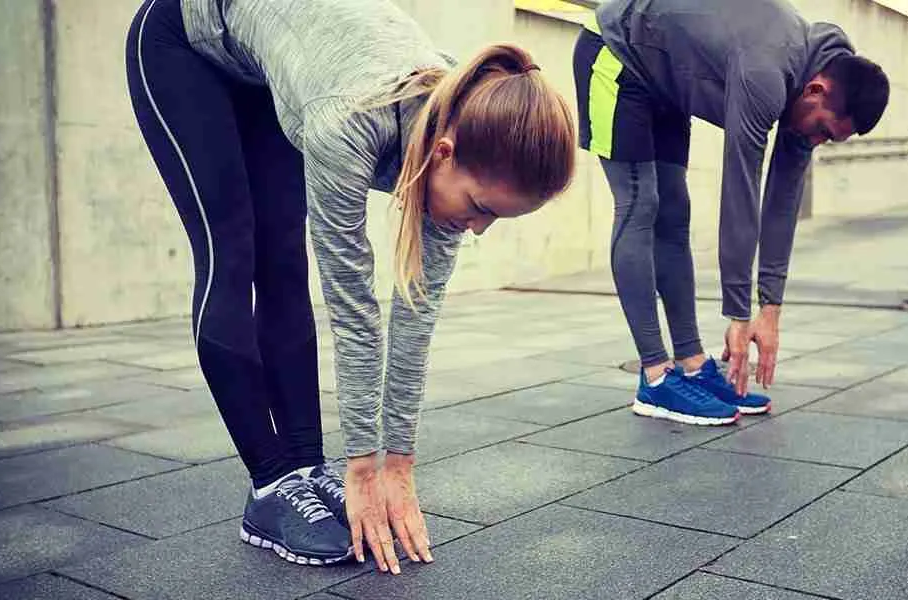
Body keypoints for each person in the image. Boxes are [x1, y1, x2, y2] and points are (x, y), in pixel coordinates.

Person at [125, 0, 575, 574]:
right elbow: (354, 308)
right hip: (181, 40)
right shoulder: (348, 120)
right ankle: (269, 485)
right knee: (232, 248)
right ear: (443, 154)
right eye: (481, 208)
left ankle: (307, 467)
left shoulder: (468, 121)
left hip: (268, 62)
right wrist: (363, 465)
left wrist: (399, 466)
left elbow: (415, 316)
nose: (478, 229)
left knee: (284, 257)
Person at [572, 0, 889, 425]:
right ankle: (654, 378)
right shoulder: (765, 74)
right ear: (817, 91)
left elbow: (781, 203)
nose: (816, 141)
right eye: (822, 131)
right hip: (616, 51)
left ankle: (690, 362)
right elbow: (741, 193)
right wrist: (739, 314)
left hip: (664, 80)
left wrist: (770, 309)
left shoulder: (824, 72)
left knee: (675, 211)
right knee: (640, 202)